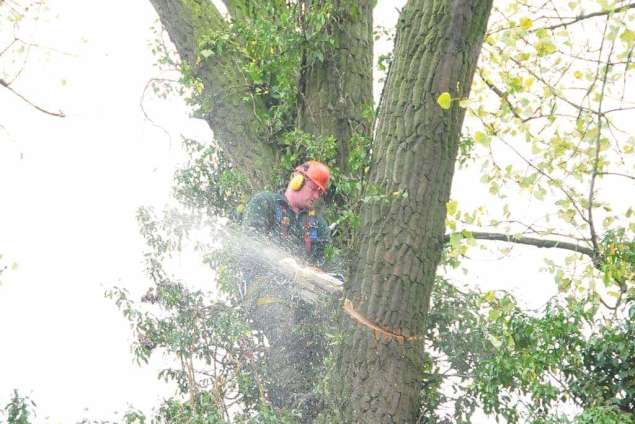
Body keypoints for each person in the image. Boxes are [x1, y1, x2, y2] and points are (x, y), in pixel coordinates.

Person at [239, 160, 334, 421]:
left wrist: (319, 278)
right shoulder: (266, 203)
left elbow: (324, 262)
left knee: (318, 339)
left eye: (320, 193)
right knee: (283, 332)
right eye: (314, 189)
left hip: (301, 294)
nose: (316, 196)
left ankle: (310, 400)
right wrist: (283, 264)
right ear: (297, 180)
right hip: (265, 288)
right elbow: (251, 242)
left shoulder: (317, 226)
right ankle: (284, 404)